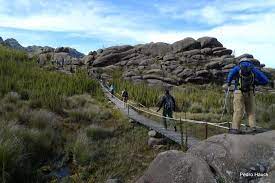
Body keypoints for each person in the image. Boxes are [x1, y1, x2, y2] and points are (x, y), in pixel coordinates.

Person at [227, 55, 269, 134]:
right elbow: (265, 80)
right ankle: (252, 128)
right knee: (251, 111)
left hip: (238, 92)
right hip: (250, 92)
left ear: (240, 62)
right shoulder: (253, 69)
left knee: (238, 110)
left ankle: (235, 129)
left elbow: (230, 75)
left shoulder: (237, 68)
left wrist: (229, 82)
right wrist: (257, 82)